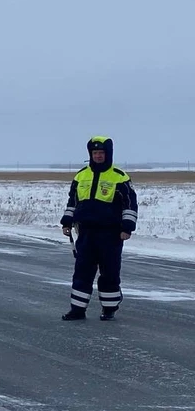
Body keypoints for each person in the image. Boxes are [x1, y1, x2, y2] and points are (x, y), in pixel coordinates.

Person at [59, 136, 138, 321]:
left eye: (101, 153)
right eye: (95, 153)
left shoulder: (119, 177)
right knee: (82, 272)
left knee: (109, 272)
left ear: (108, 154)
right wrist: (67, 222)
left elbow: (130, 205)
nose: (98, 156)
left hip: (110, 234)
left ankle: (109, 309)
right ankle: (77, 310)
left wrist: (127, 227)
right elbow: (73, 202)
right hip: (85, 233)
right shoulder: (80, 176)